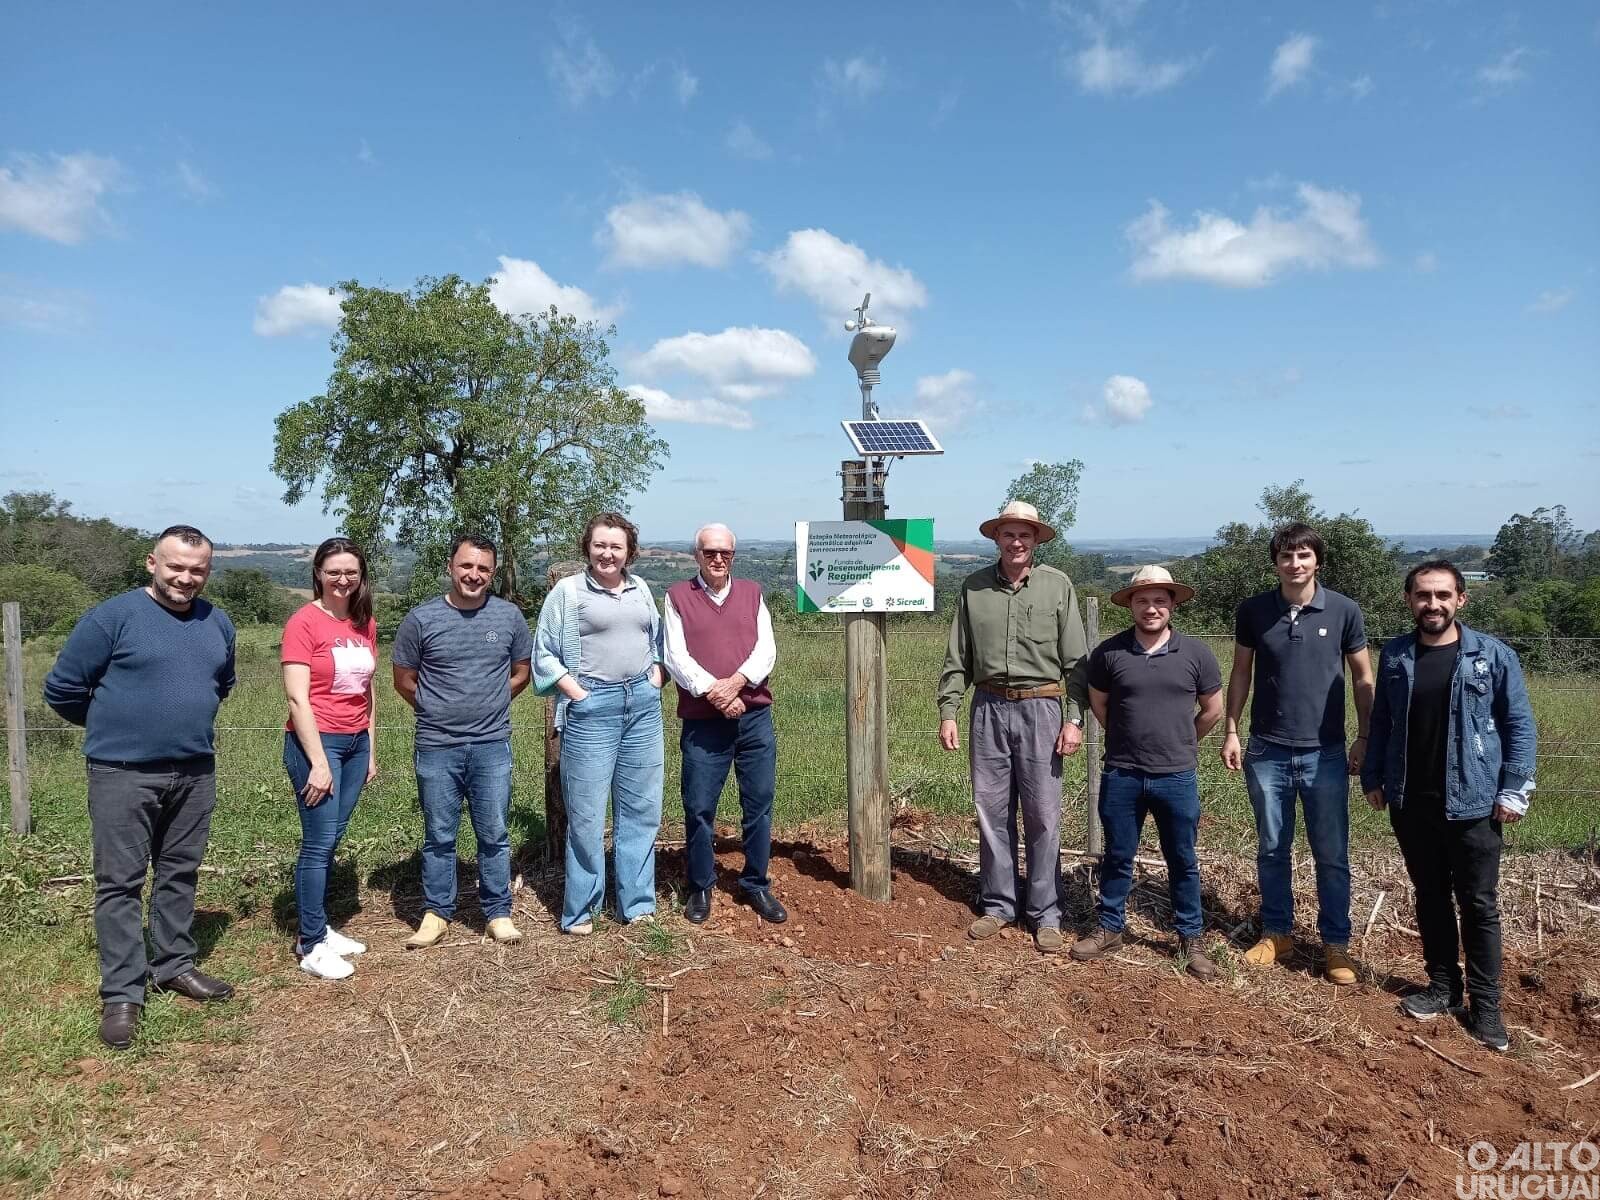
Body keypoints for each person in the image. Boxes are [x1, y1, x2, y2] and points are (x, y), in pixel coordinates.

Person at [43, 525, 237, 1050]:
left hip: (195, 770)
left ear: (208, 572)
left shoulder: (216, 622)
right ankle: (123, 992)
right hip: (123, 772)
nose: (186, 577)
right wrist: (114, 725)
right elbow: (62, 690)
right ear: (152, 562)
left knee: (180, 872)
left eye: (197, 569)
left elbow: (221, 683)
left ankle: (173, 964)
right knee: (120, 883)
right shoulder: (112, 617)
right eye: (176, 566)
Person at [1362, 561, 1536, 1052]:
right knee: (1430, 895)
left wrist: (1514, 788)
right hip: (1411, 800)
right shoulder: (1397, 654)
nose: (1432, 604)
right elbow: (1384, 721)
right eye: (1422, 595)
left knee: (1479, 905)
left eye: (1442, 595)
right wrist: (1374, 777)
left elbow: (1519, 724)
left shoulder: (1492, 655)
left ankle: (1486, 1007)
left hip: (1476, 801)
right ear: (1409, 600)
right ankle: (1443, 987)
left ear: (1461, 599)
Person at [1220, 523, 1375, 986]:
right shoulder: (1254, 610)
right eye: (1286, 556)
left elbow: (1364, 678)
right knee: (1272, 848)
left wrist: (1364, 737)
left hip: (1325, 752)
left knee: (1331, 853)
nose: (1295, 564)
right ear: (1275, 563)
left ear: (1317, 561)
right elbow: (1241, 672)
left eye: (1304, 555)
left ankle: (1335, 945)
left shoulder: (1344, 610)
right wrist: (1231, 730)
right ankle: (1277, 933)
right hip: (1266, 749)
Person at [937, 500, 1089, 953]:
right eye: (1009, 534)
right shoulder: (973, 587)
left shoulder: (1057, 586)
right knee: (991, 810)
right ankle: (999, 904)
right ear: (997, 539)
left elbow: (1077, 662)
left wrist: (1075, 718)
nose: (1017, 542)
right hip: (988, 708)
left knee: (1043, 814)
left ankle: (1045, 913)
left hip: (1043, 709)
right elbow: (957, 657)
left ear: (1036, 540)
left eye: (1025, 535)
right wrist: (949, 710)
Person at [1071, 566, 1223, 979]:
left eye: (1160, 600)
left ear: (1172, 604)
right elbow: (1100, 706)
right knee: (1118, 854)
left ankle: (1190, 938)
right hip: (1122, 773)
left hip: (1177, 776)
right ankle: (1109, 927)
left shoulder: (1197, 654)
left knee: (1182, 858)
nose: (1151, 608)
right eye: (1143, 600)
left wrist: (1183, 740)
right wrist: (1126, 739)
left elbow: (1212, 710)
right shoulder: (1109, 653)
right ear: (1131, 605)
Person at [392, 534, 532, 949]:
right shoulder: (421, 620)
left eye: (483, 569)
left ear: (492, 573)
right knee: (439, 834)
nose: (474, 575)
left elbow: (521, 672)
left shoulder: (508, 618)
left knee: (494, 832)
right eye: (467, 566)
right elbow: (403, 680)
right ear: (451, 567)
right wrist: (436, 710)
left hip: (491, 744)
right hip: (437, 746)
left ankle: (498, 912)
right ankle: (436, 913)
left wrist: (489, 704)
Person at [534, 512, 665, 934]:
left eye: (616, 546)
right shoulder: (567, 593)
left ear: (630, 551)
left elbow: (658, 639)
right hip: (592, 709)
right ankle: (582, 909)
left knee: (641, 809)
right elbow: (545, 653)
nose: (608, 554)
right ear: (587, 548)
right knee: (587, 815)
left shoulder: (641, 588)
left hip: (642, 706)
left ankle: (637, 902)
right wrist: (576, 693)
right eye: (600, 545)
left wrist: (657, 675)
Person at [662, 522, 784, 926]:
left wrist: (735, 684)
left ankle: (756, 883)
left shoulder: (752, 594)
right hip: (703, 722)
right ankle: (700, 885)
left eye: (725, 553)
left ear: (734, 555)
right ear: (696, 554)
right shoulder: (678, 597)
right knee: (698, 807)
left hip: (753, 720)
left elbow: (765, 650)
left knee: (759, 804)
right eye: (710, 552)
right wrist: (715, 693)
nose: (718, 559)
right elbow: (675, 657)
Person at [281, 537, 379, 981]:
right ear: (318, 573)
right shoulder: (304, 622)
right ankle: (310, 941)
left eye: (351, 572)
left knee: (333, 834)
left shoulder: (364, 623)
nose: (343, 580)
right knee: (319, 842)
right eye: (334, 571)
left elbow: (367, 691)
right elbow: (298, 699)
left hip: (356, 743)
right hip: (317, 743)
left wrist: (370, 748)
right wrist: (318, 761)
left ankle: (319, 926)